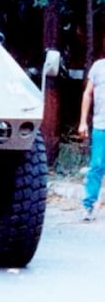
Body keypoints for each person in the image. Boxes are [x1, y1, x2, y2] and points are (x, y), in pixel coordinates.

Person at [78, 56, 105, 221]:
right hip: (101, 125)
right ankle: (88, 206)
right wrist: (83, 122)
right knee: (96, 166)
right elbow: (88, 94)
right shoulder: (98, 66)